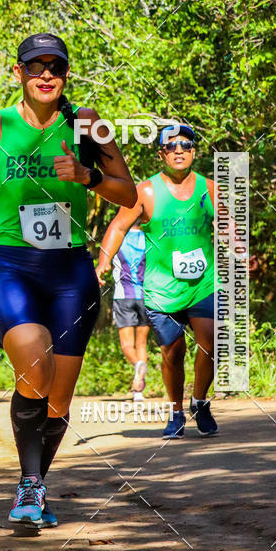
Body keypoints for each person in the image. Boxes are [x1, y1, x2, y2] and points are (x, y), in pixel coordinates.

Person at [0, 32, 137, 528]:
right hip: (11, 264)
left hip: (69, 271)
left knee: (58, 396)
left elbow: (129, 195)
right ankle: (30, 484)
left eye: (54, 68)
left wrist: (89, 177)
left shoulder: (87, 125)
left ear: (64, 75)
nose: (45, 76)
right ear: (17, 73)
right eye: (35, 67)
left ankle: (33, 487)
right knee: (34, 360)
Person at [97, 124, 219, 439]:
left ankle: (200, 402)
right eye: (172, 146)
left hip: (202, 284)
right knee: (173, 352)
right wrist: (103, 260)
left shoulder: (210, 188)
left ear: (194, 151)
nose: (179, 151)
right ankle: (176, 412)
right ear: (161, 152)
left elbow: (229, 224)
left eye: (186, 145)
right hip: (161, 291)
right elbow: (118, 227)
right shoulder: (145, 192)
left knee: (209, 344)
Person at [97, 223, 149, 400]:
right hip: (145, 296)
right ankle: (138, 390)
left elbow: (107, 265)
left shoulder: (117, 238)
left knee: (127, 345)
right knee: (142, 344)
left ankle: (137, 365)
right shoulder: (147, 238)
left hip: (122, 296)